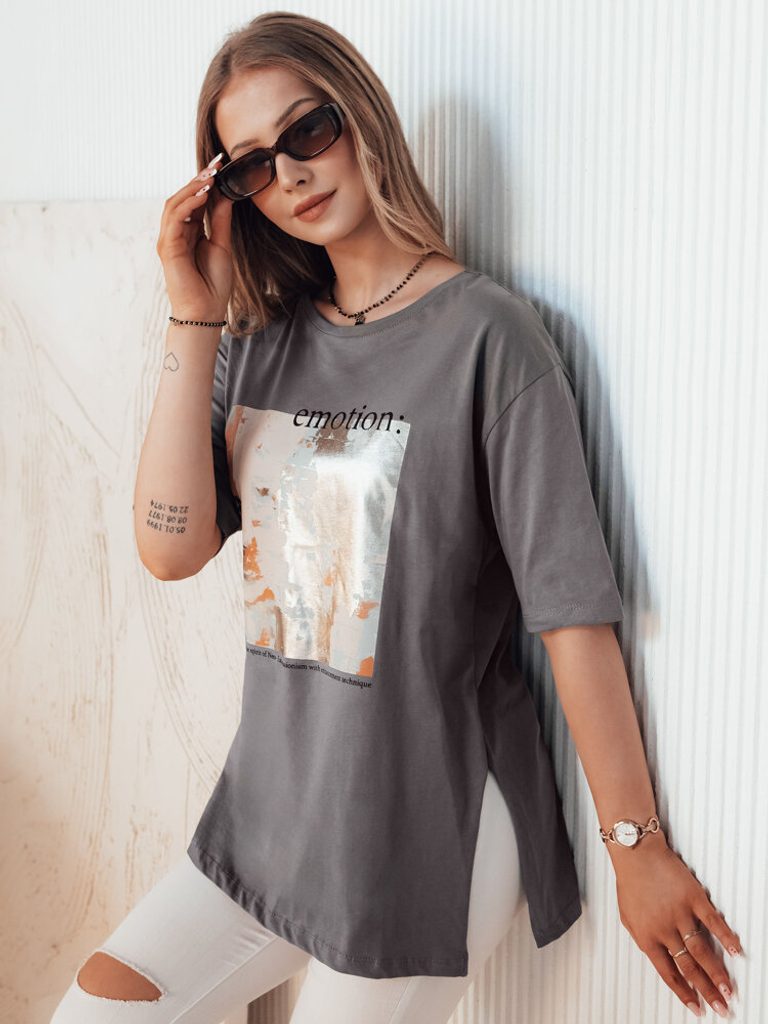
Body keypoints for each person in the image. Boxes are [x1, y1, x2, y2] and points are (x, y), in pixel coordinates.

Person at [50, 11, 742, 1024]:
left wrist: (637, 848)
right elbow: (170, 548)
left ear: (360, 114)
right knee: (94, 1014)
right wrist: (193, 307)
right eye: (252, 167)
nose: (291, 174)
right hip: (276, 810)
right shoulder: (260, 346)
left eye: (307, 130)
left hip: (434, 820)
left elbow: (570, 614)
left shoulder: (488, 337)